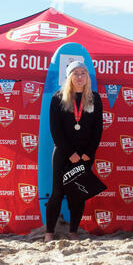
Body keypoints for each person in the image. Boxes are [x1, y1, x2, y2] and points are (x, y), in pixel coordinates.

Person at [44, 61, 103, 242]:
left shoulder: (94, 98)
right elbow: (55, 130)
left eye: (83, 73)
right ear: (69, 77)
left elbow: (97, 129)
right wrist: (70, 153)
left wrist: (88, 153)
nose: (79, 77)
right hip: (63, 153)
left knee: (78, 193)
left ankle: (73, 232)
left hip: (85, 155)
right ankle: (49, 233)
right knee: (57, 193)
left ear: (87, 77)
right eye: (75, 73)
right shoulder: (58, 98)